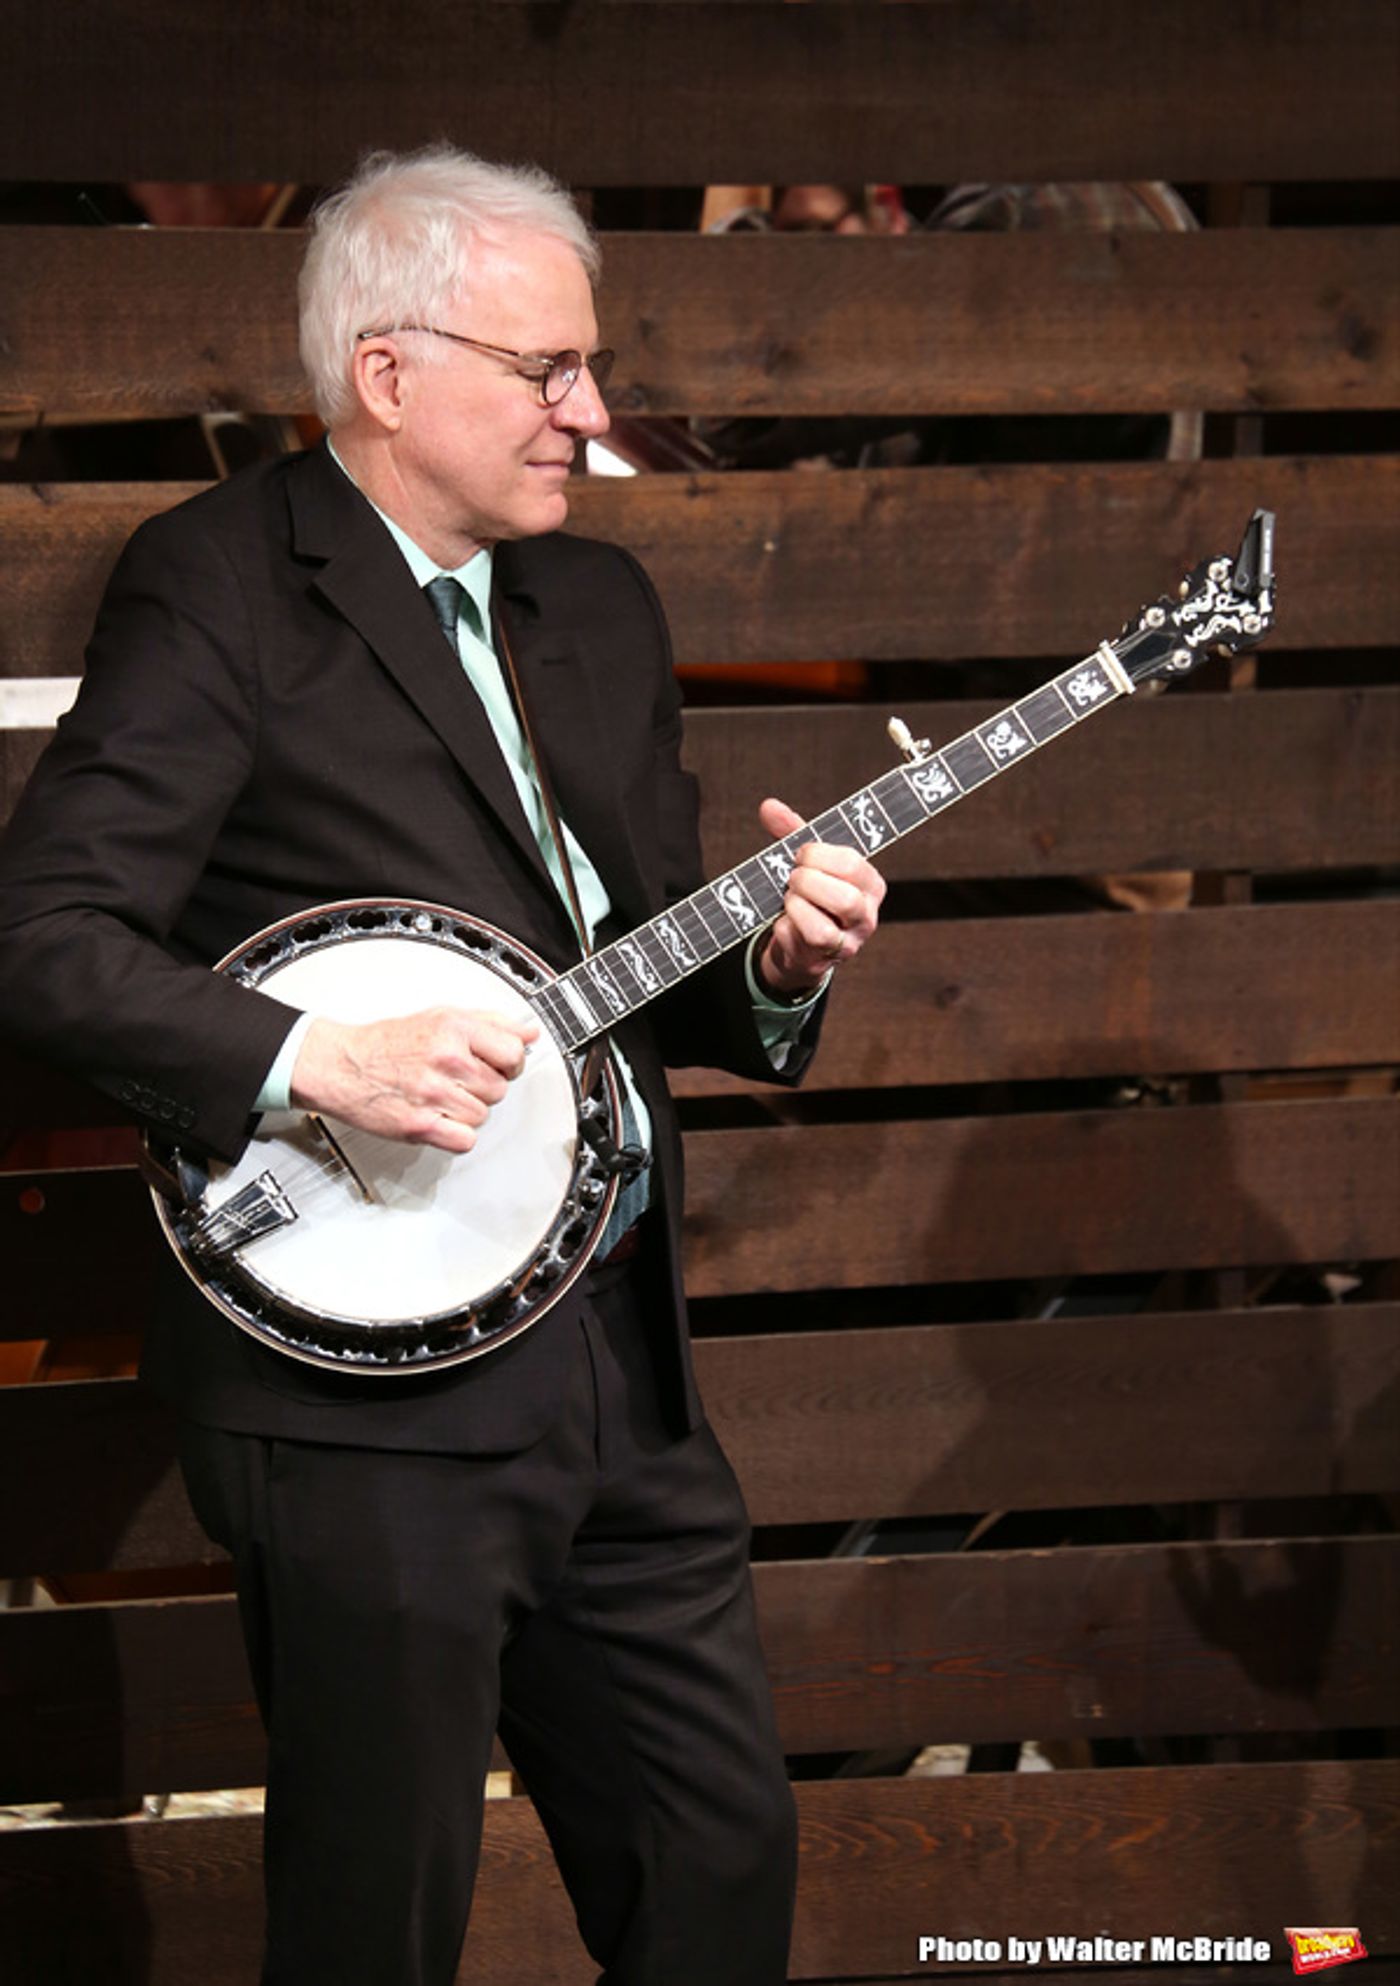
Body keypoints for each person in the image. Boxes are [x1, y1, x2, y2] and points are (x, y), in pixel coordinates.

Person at [0, 146, 884, 1985]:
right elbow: (44, 942)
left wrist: (780, 964)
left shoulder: (603, 608)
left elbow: (644, 972)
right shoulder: (222, 585)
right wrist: (317, 1052)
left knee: (719, 1856)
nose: (592, 412)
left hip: (620, 1366)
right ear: (389, 374)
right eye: (546, 371)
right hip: (364, 1401)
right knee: (378, 1915)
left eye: (590, 367)